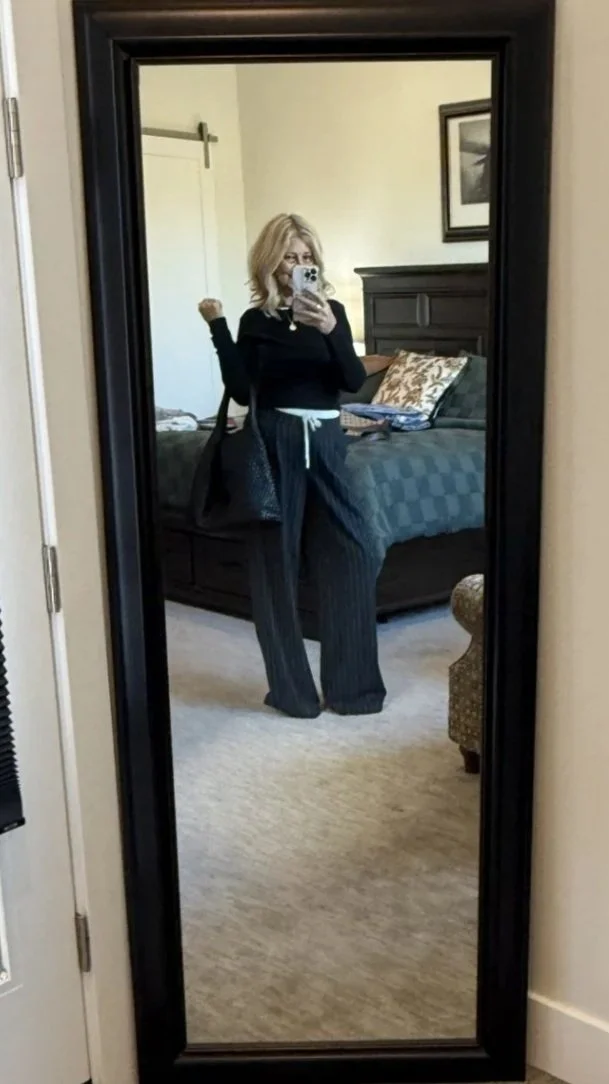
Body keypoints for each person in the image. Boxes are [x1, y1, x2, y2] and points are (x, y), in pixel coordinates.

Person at [198, 212, 386, 719]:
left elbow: (351, 380)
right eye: (289, 258)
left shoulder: (333, 313)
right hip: (276, 437)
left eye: (307, 258)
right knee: (274, 563)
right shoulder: (255, 321)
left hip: (326, 438)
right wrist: (218, 328)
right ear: (271, 263)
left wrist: (330, 329)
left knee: (357, 549)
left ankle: (354, 690)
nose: (299, 266)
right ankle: (293, 692)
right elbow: (242, 389)